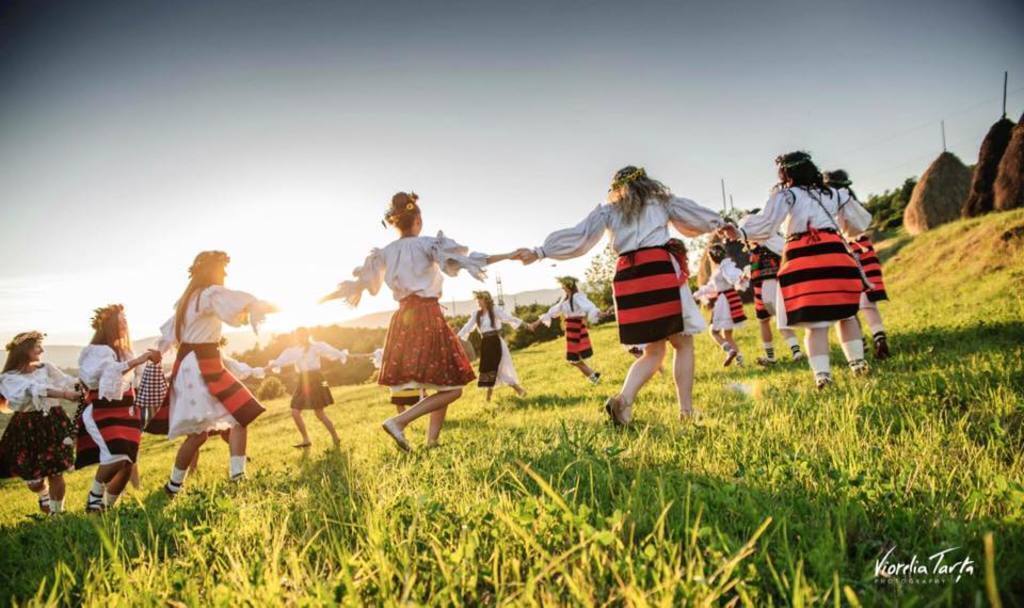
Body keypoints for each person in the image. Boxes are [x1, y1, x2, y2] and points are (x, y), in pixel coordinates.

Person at [515, 166, 725, 424]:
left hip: (628, 279)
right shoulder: (660, 202)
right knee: (682, 344)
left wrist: (540, 251)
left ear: (616, 189)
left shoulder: (609, 211)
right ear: (647, 182)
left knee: (653, 352)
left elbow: (579, 237)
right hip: (658, 271)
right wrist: (722, 224)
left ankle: (623, 401)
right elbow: (696, 216)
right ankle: (686, 412)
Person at [321, 192, 512, 451]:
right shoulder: (428, 245)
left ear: (395, 222)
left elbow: (365, 285)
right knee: (453, 387)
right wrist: (510, 255)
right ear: (418, 220)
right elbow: (466, 261)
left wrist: (327, 297)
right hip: (427, 316)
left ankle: (432, 442)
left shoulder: (385, 253)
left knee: (444, 384)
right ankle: (399, 421)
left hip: (403, 319)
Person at [721, 152, 872, 389]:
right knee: (846, 313)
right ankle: (858, 365)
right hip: (834, 253)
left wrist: (739, 232)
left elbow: (767, 223)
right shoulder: (834, 194)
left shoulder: (787, 196)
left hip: (804, 256)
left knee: (815, 323)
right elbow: (858, 223)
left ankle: (822, 376)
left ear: (786, 173)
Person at [150, 250, 277, 496]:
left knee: (198, 435)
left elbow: (167, 338)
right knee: (240, 415)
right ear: (212, 271)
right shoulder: (208, 295)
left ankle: (172, 486)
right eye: (222, 270)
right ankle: (237, 478)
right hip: (202, 364)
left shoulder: (186, 301)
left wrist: (158, 353)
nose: (225, 275)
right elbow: (237, 304)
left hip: (189, 366)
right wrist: (267, 306)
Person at [76, 304, 161, 512]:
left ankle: (108, 508)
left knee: (128, 462)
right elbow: (105, 373)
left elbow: (137, 375)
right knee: (117, 457)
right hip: (102, 410)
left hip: (126, 411)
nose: (125, 325)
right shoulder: (96, 351)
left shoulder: (125, 351)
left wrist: (153, 360)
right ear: (109, 325)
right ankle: (94, 498)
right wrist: (138, 360)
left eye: (125, 321)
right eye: (120, 321)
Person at [0, 331, 84, 514]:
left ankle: (57, 514)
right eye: (38, 346)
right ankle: (43, 494)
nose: (42, 350)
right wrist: (64, 395)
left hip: (53, 421)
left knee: (56, 470)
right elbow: (31, 390)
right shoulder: (8, 378)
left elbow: (65, 381)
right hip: (27, 426)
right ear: (25, 350)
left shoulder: (46, 367)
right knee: (34, 480)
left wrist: (85, 384)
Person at [823, 169, 891, 359]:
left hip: (843, 250)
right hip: (863, 246)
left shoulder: (829, 203)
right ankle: (879, 336)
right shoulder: (852, 202)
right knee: (868, 301)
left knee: (847, 303)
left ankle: (859, 344)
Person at [266, 327, 348, 447]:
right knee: (295, 411)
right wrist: (268, 367)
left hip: (316, 380)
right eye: (298, 336)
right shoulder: (294, 351)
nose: (301, 338)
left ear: (308, 335)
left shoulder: (316, 346)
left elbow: (331, 351)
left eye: (303, 335)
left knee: (319, 413)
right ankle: (306, 440)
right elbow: (282, 360)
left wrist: (342, 355)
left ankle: (336, 437)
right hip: (303, 381)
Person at [740, 229, 804, 365]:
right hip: (780, 285)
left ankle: (771, 357)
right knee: (781, 320)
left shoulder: (758, 250)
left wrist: (747, 272)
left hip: (764, 288)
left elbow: (755, 271)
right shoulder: (778, 244)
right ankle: (796, 351)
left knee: (764, 321)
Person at [526, 277, 603, 385]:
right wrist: (536, 323)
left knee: (574, 359)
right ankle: (594, 376)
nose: (562, 287)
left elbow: (589, 306)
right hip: (571, 330)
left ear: (568, 286)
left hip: (577, 329)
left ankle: (594, 377)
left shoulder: (577, 296)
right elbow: (552, 312)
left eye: (563, 285)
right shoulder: (565, 299)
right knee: (574, 359)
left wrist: (598, 313)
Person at [458, 290, 527, 401]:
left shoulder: (494, 310)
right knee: (488, 370)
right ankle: (496, 395)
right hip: (485, 343)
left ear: (486, 300)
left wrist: (524, 324)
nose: (478, 302)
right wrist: (457, 337)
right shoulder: (477, 314)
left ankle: (512, 392)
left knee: (497, 368)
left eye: (480, 299)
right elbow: (468, 326)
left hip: (495, 342)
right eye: (477, 300)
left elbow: (507, 318)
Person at [693, 244, 746, 367]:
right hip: (731, 299)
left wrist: (739, 278)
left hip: (724, 301)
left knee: (713, 331)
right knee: (727, 334)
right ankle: (740, 361)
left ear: (711, 258)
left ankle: (729, 350)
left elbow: (717, 284)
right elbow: (713, 286)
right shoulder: (725, 267)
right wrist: (698, 294)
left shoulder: (723, 269)